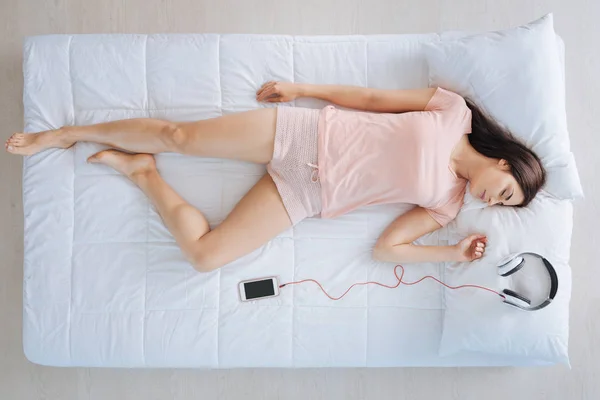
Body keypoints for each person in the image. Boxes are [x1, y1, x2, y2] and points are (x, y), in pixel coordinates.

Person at [5, 82, 546, 272]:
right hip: (306, 135)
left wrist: (451, 255)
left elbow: (388, 249)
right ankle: (69, 133)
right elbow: (373, 100)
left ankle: (143, 173)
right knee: (181, 137)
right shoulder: (454, 112)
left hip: (308, 193)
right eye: (504, 192)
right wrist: (302, 87)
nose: (490, 201)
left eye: (500, 206)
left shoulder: (448, 206)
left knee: (206, 257)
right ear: (504, 163)